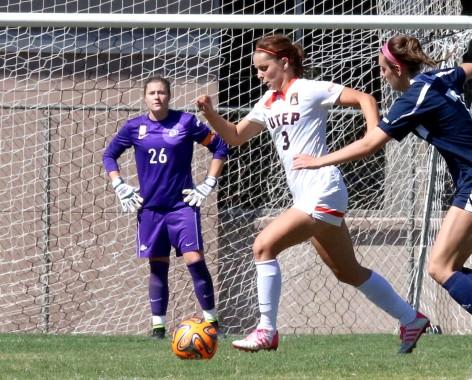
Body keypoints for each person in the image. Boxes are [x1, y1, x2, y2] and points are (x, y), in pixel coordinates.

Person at [293, 34, 472, 354]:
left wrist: (318, 161)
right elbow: (469, 67)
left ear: (398, 68)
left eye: (384, 69)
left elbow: (371, 144)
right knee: (448, 267)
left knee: (439, 268)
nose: (381, 75)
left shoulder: (414, 98)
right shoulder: (437, 78)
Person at [195, 34, 430, 354]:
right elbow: (235, 137)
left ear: (284, 63)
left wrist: (374, 134)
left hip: (324, 188)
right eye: (257, 69)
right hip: (307, 195)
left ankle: (266, 330)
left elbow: (366, 99)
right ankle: (411, 319)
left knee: (263, 245)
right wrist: (210, 114)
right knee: (347, 272)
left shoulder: (309, 89)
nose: (259, 75)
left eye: (264, 68)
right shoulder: (267, 103)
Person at [102, 77, 229, 338]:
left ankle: (213, 323)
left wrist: (208, 183)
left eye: (161, 92)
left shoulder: (185, 122)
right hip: (150, 209)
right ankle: (158, 328)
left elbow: (219, 146)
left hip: (182, 207)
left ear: (169, 96)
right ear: (145, 97)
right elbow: (109, 155)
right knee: (157, 266)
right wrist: (119, 185)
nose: (157, 97)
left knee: (195, 260)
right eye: (152, 93)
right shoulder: (134, 127)